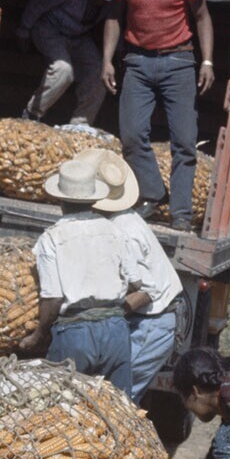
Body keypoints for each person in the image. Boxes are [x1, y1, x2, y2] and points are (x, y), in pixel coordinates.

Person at [100, 0, 215, 230]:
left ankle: (181, 215)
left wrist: (207, 61)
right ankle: (153, 192)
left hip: (179, 61)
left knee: (184, 142)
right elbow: (113, 17)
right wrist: (106, 60)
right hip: (137, 61)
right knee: (132, 134)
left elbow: (202, 17)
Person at [19, 158, 134, 392]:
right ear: (94, 199)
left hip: (76, 333)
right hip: (116, 330)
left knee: (62, 405)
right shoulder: (114, 230)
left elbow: (53, 298)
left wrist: (38, 335)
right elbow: (136, 282)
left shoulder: (53, 237)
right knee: (119, 405)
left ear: (60, 200)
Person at [85, 150, 182, 400]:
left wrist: (101, 318)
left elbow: (147, 291)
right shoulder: (122, 218)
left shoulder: (123, 231)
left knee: (116, 399)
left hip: (150, 324)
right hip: (146, 321)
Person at [18, 0, 113, 124]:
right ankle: (32, 113)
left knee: (99, 72)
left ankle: (80, 125)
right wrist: (24, 30)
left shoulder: (112, 2)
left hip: (79, 37)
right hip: (50, 30)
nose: (101, 0)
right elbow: (38, 2)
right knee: (63, 69)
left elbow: (114, 24)